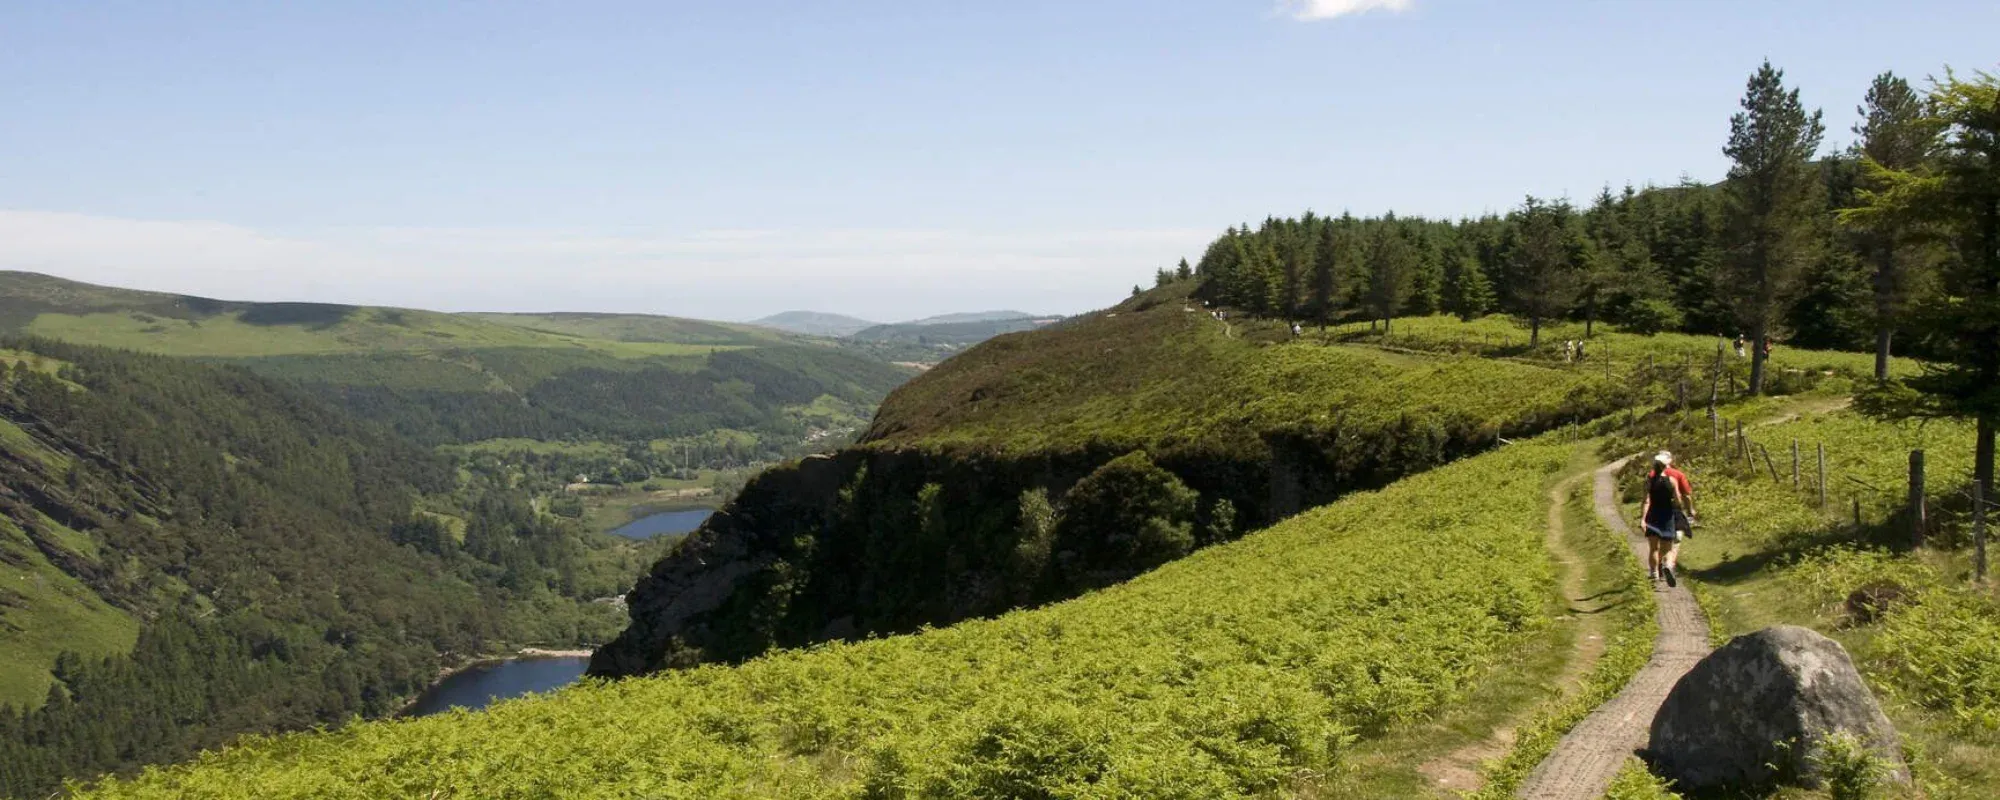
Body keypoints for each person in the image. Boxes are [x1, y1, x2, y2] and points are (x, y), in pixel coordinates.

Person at [1639, 454, 1690, 587]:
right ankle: (1667, 565)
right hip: (1667, 516)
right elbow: (1678, 500)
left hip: (1652, 516)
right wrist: (1677, 505)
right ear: (1666, 466)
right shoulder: (1671, 481)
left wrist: (1643, 519)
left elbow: (1646, 501)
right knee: (1667, 548)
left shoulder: (1649, 481)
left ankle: (1654, 573)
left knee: (1653, 548)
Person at [1658, 450, 1696, 538]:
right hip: (1673, 508)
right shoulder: (1678, 474)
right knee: (1677, 536)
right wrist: (1690, 511)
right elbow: (1686, 495)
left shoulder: (1651, 475)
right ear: (1670, 460)